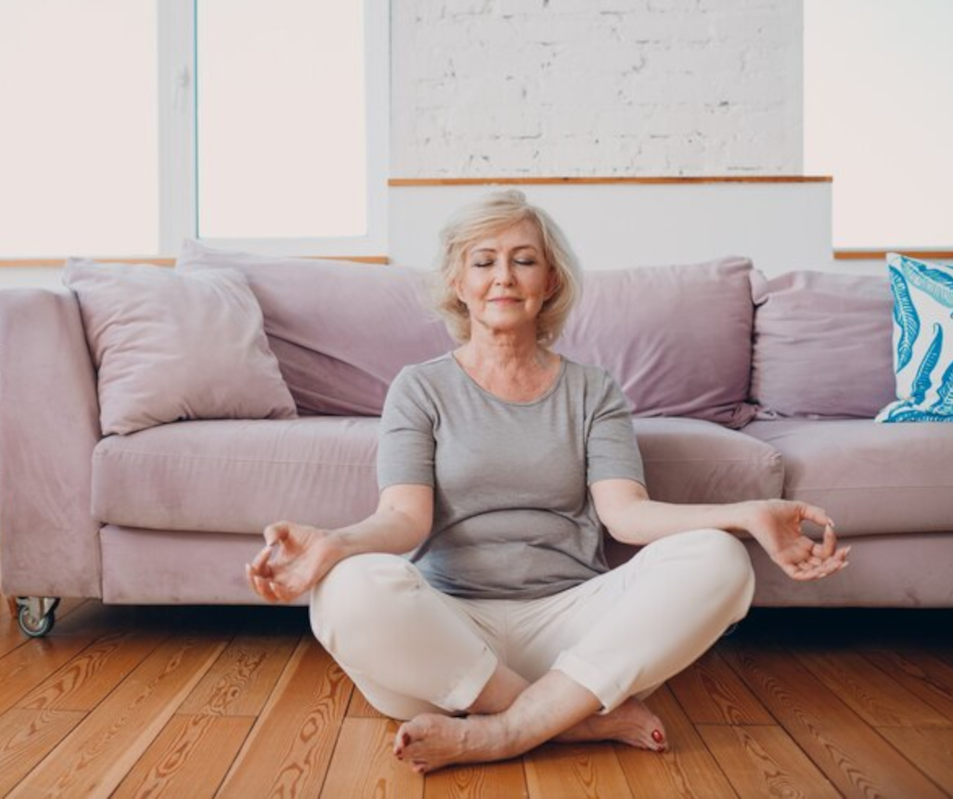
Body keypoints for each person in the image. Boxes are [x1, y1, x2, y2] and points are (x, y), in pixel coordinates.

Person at [244, 190, 850, 774]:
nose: (503, 276)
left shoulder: (592, 390)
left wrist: (743, 515)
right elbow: (405, 519)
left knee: (721, 560)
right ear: (459, 284)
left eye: (523, 260)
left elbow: (626, 515)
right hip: (447, 637)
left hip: (573, 631)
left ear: (550, 281)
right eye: (483, 262)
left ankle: (505, 729)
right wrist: (334, 543)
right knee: (343, 587)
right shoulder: (420, 388)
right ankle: (575, 718)